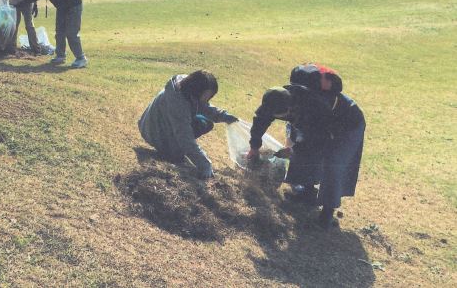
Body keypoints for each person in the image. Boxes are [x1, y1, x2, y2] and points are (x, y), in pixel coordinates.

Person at [248, 64, 366, 228]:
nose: (276, 118)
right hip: (318, 124)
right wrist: (254, 147)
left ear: (290, 109)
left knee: (333, 162)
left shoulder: (313, 107)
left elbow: (318, 140)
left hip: (346, 123)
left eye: (281, 116)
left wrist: (293, 150)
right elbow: (260, 121)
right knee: (301, 148)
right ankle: (308, 193)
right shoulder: (275, 98)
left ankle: (327, 214)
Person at [138, 70, 239, 179]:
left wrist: (224, 116)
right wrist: (204, 164)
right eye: (206, 96)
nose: (207, 99)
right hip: (154, 131)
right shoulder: (178, 103)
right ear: (197, 90)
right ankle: (169, 151)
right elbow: (185, 137)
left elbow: (203, 106)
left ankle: (175, 148)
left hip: (162, 123)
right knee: (178, 151)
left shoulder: (187, 87)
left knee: (204, 123)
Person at [0, 0, 87, 68]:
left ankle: (81, 58)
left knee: (71, 33)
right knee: (59, 32)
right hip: (61, 6)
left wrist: (24, 2)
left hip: (73, 5)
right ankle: (60, 56)